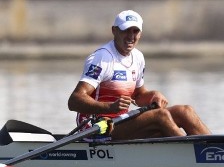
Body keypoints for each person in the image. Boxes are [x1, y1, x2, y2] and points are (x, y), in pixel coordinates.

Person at [67, 10, 211, 140]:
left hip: (122, 122)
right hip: (97, 127)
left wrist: (153, 95)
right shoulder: (102, 58)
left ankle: (220, 149)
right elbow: (74, 101)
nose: (131, 36)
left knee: (185, 111)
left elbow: (138, 96)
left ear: (140, 34)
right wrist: (109, 107)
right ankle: (192, 153)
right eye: (126, 31)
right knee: (160, 116)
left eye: (135, 31)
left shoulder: (138, 57)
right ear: (114, 31)